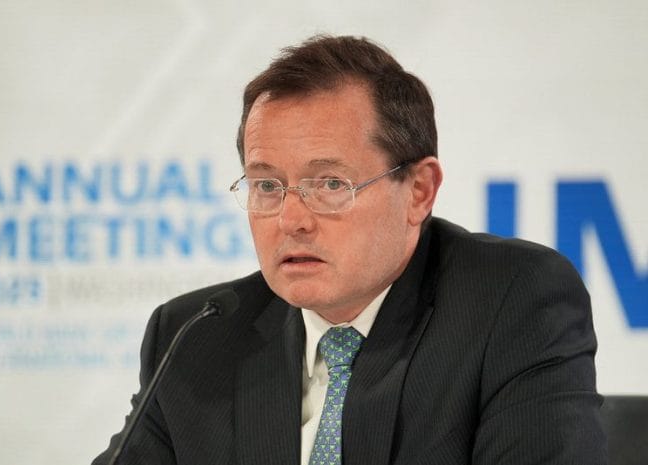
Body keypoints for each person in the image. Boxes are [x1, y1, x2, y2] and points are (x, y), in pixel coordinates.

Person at [94, 35, 606, 465]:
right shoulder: (196, 336)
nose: (291, 220)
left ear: (419, 190)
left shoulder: (511, 302)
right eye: (267, 186)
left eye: (330, 184)